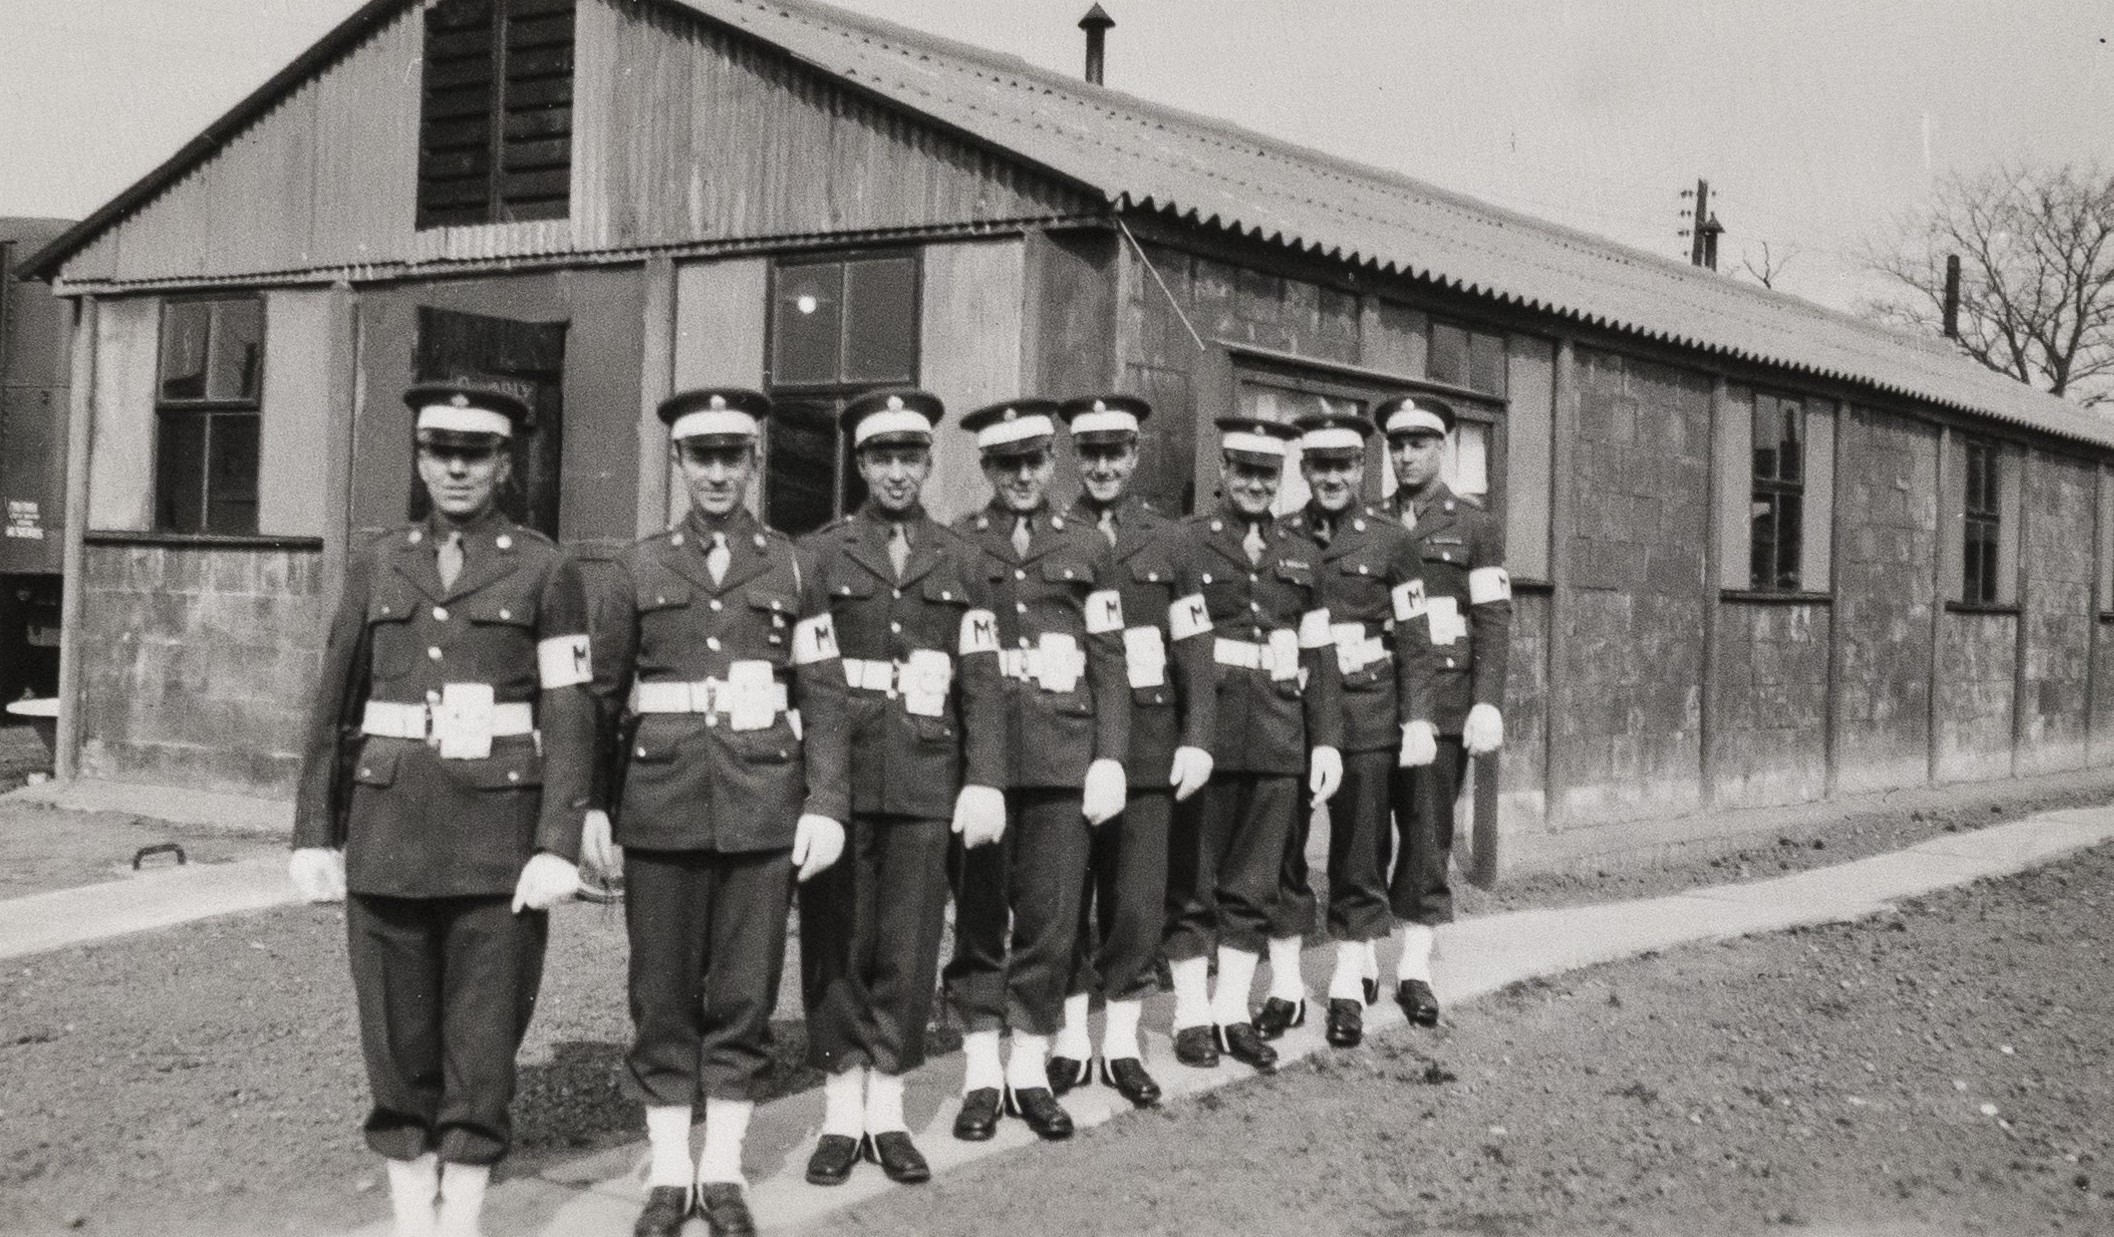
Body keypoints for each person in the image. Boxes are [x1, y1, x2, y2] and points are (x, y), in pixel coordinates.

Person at [289, 381, 594, 1237]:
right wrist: (314, 830)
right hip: (387, 837)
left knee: (483, 1041)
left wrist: (558, 838)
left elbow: (571, 709)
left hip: (498, 844)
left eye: (476, 452)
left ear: (506, 461)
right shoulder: (378, 561)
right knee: (394, 1040)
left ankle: (457, 1220)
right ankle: (409, 1218)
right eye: (439, 451)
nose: (457, 468)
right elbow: (332, 705)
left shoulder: (544, 567)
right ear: (420, 459)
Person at [582, 388, 850, 1237]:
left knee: (743, 992)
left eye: (734, 456)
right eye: (703, 456)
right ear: (680, 463)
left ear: (754, 462)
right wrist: (592, 807)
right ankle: (669, 1173)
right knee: (661, 995)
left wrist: (827, 799)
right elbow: (599, 698)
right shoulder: (638, 566)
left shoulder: (795, 566)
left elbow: (826, 691)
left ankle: (724, 1169)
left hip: (764, 805)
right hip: (659, 807)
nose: (718, 473)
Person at [793, 390, 1008, 1186]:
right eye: (880, 456)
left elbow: (980, 681)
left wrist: (984, 778)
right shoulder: (818, 554)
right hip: (842, 782)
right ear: (860, 463)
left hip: (925, 777)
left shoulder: (959, 559)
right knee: (836, 943)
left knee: (910, 948)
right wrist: (812, 791)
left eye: (909, 457)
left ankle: (887, 1108)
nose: (895, 471)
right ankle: (839, 1111)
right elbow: (803, 680)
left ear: (928, 462)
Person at [943, 398, 1131, 1143]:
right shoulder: (959, 544)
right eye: (1006, 464)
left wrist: (1111, 756)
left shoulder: (1087, 544)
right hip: (982, 764)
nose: (1022, 476)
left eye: (1034, 461)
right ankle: (981, 1073)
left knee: (1052, 920)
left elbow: (1110, 660)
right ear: (986, 469)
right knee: (980, 919)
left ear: (1053, 463)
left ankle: (1028, 1066)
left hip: (1061, 757)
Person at [1045, 396, 1215, 1108]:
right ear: (1075, 459)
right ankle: (1066, 1038)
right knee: (1062, 896)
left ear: (1137, 455)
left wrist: (1198, 733)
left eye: (1117, 451)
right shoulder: (1053, 534)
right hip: (1066, 744)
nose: (1105, 465)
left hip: (1146, 745)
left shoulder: (1171, 542)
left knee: (1137, 901)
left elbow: (1194, 645)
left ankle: (1119, 1040)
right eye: (1091, 452)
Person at [1162, 415, 1344, 1076]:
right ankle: (1189, 1014)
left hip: (1276, 738)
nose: (1256, 485)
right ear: (1225, 473)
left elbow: (1320, 656)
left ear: (1281, 478)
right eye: (1245, 472)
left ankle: (1231, 1010)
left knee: (1252, 884)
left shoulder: (1303, 555)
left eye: (1268, 475)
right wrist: (1188, 736)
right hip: (1207, 740)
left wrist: (1325, 742)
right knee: (1191, 882)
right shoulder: (1188, 546)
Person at [1268, 409, 1433, 1050]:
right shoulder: (1281, 537)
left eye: (1344, 465)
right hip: (1291, 712)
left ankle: (1345, 980)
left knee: (1358, 848)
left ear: (1360, 468)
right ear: (1304, 469)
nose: (1332, 477)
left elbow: (1416, 639)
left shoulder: (1391, 541)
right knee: (1282, 848)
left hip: (1368, 712)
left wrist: (1417, 715)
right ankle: (1284, 982)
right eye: (1320, 466)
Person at [1377, 394, 1511, 1027]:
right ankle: (1359, 957)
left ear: (1443, 448)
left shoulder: (1475, 526)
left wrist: (1486, 700)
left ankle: (1415, 963)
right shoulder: (1367, 519)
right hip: (1379, 701)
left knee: (1428, 833)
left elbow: (1491, 616)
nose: (1406, 455)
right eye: (1397, 445)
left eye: (1419, 444)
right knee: (1369, 829)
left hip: (1447, 703)